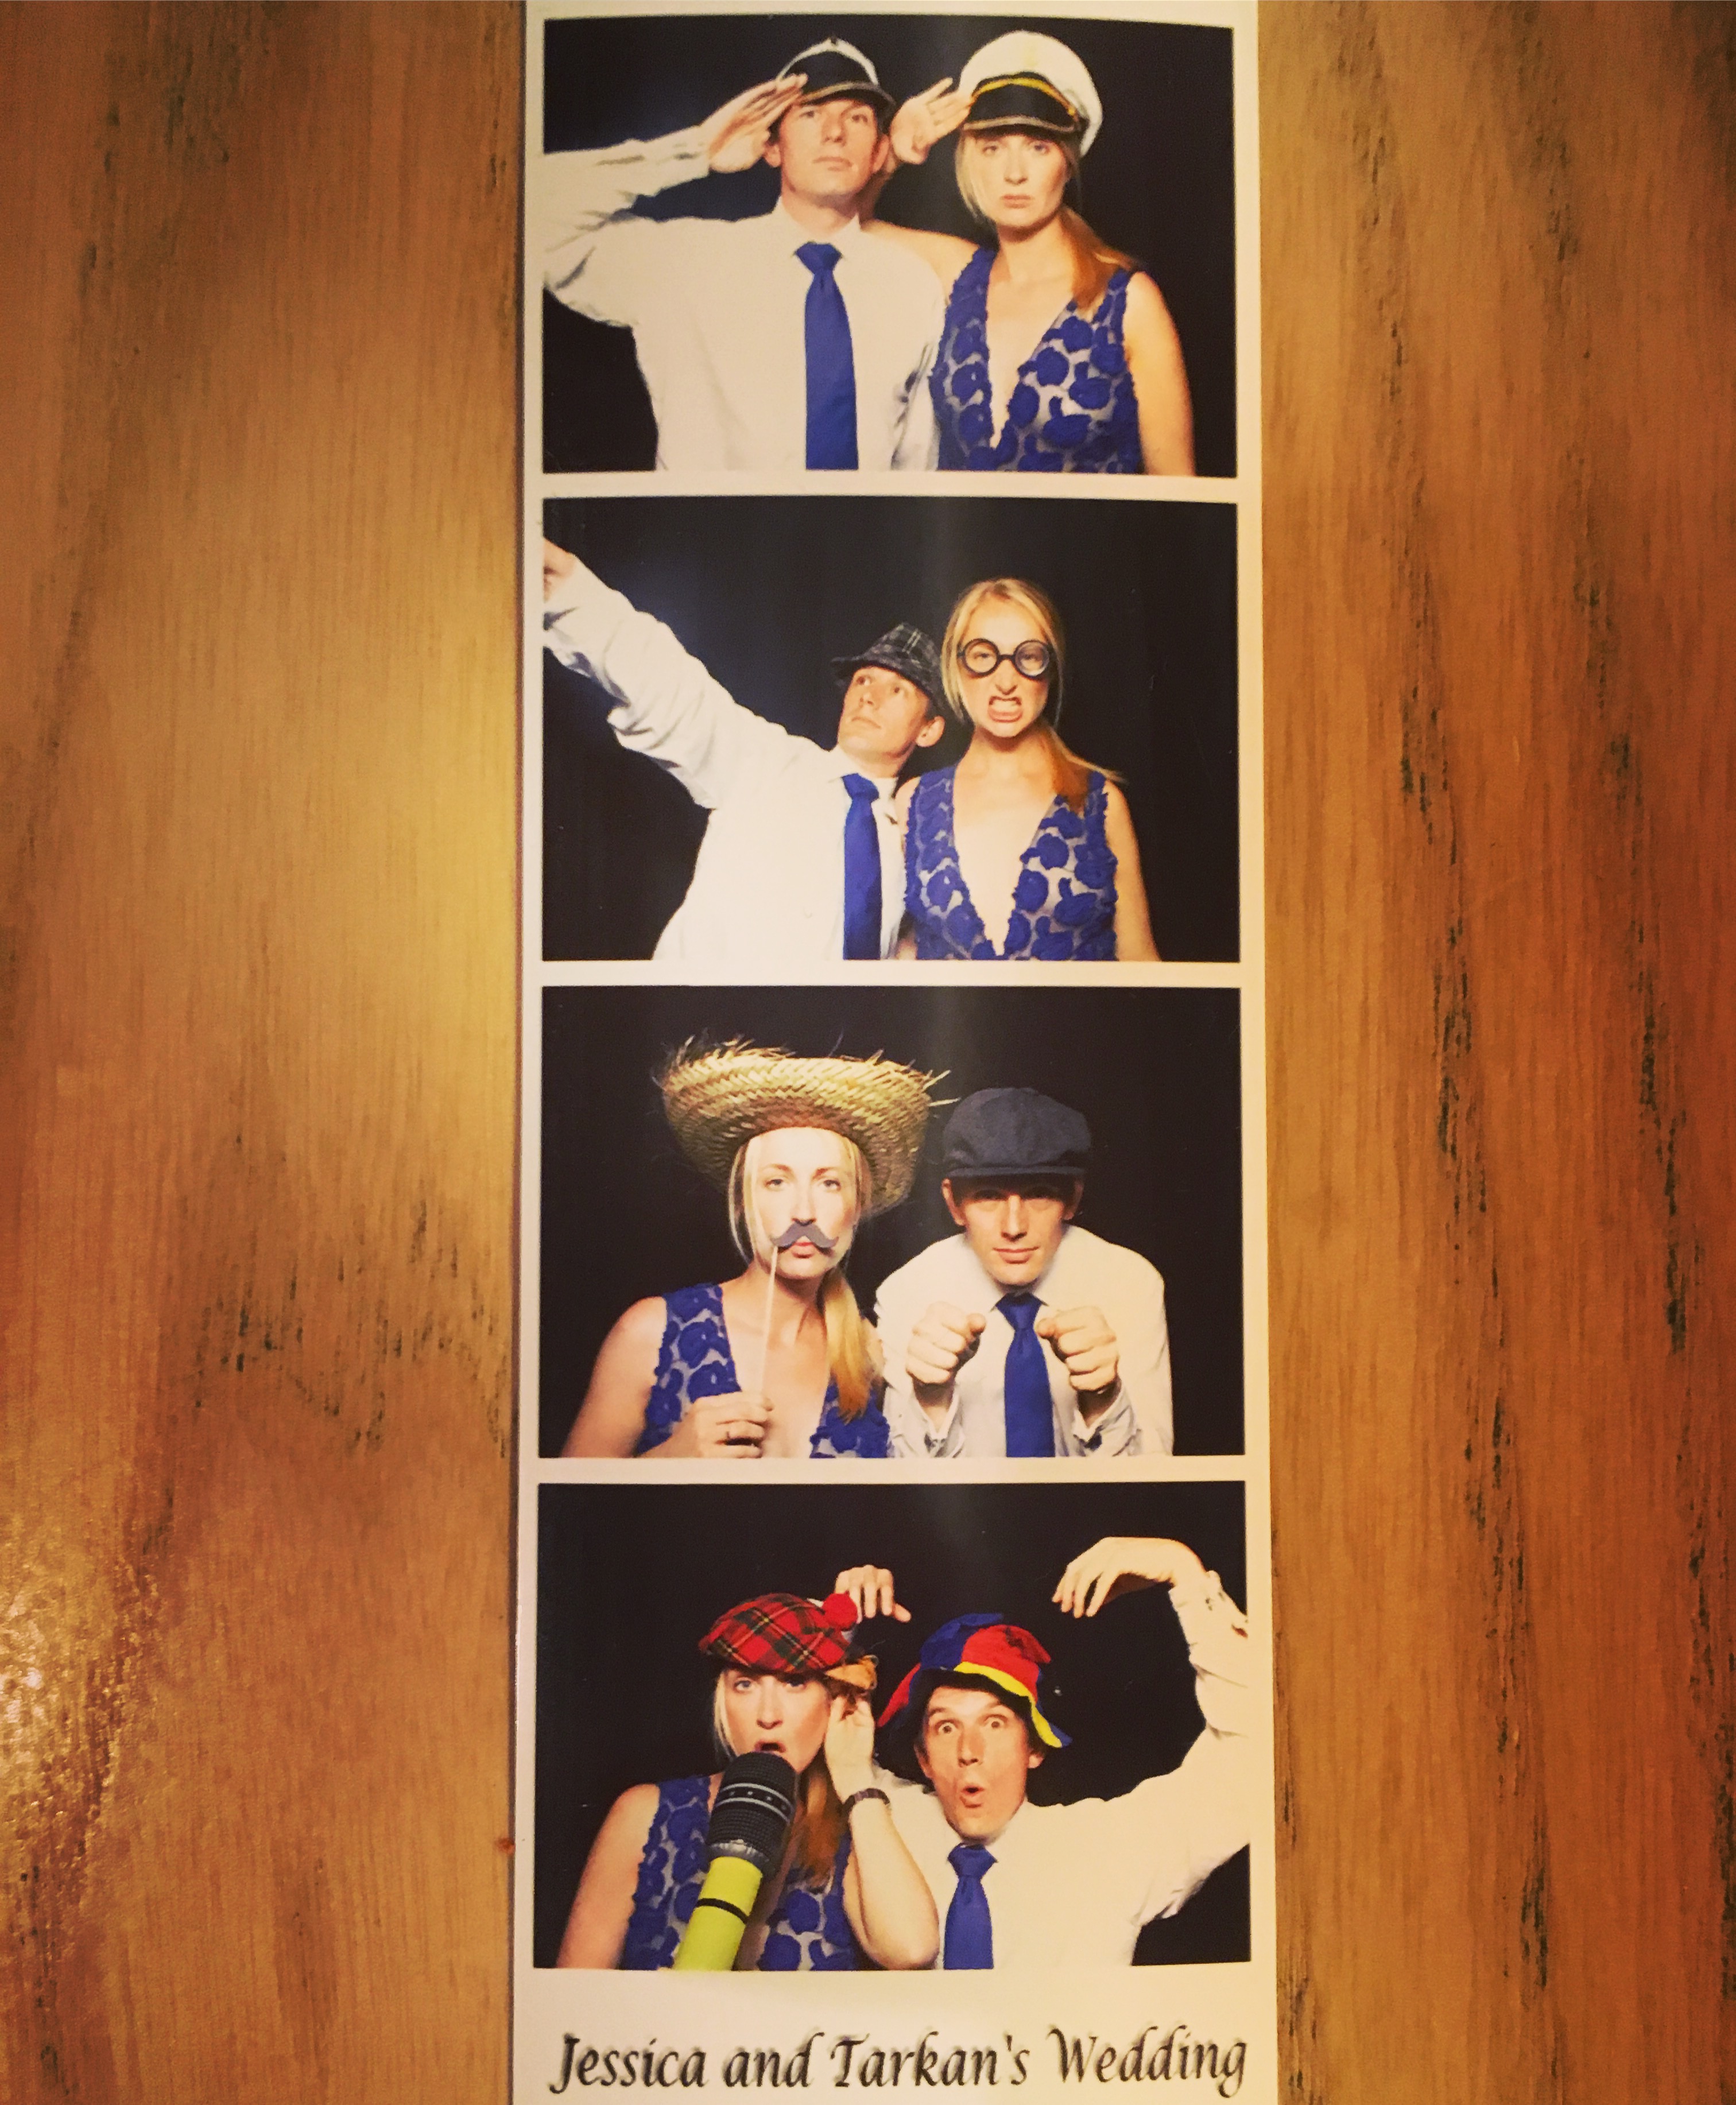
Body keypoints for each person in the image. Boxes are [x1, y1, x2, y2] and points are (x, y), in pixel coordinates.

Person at [826, 1535, 1250, 1968]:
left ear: (1034, 1747)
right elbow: (812, 1733)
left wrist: (1184, 1572)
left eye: (995, 1723)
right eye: (946, 1726)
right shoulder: (877, 1816)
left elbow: (1249, 1765)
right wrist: (836, 1629)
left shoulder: (1105, 1850)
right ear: (923, 1758)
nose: (969, 1750)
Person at [542, 38, 944, 471]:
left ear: (879, 152)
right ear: (772, 147)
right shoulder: (685, 262)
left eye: (857, 117)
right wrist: (696, 150)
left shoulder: (912, 285)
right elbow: (526, 214)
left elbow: (916, 467)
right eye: (811, 114)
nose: (834, 132)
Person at [543, 540, 945, 966]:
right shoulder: (767, 763)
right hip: (701, 1009)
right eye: (863, 680)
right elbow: (673, 691)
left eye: (897, 690)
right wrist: (571, 592)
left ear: (929, 729)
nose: (870, 697)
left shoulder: (916, 844)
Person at [565, 1041, 937, 1460]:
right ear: (743, 1201)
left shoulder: (874, 1353)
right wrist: (669, 1460)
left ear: (859, 1205)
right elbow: (565, 1497)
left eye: (829, 1183)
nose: (804, 1212)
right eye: (777, 1182)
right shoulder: (651, 1331)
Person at [865, 31, 1194, 475]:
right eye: (993, 148)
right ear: (969, 159)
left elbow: (1179, 496)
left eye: (1038, 148)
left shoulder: (1130, 302)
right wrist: (890, 155)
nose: (1014, 173)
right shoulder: (957, 275)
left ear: (1068, 162)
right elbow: (848, 229)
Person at [557, 1588, 937, 1970]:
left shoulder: (857, 1833)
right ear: (722, 1699)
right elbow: (571, 1994)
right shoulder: (644, 1814)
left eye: (794, 1683)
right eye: (745, 1684)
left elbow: (911, 1950)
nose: (767, 1715)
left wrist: (855, 1776)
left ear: (834, 1700)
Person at [874, 1089, 1173, 1458]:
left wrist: (1104, 1402)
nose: (1014, 1227)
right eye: (989, 1196)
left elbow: (1154, 1474)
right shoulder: (907, 1291)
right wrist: (931, 1401)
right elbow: (899, 1482)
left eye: (1039, 1194)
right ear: (954, 1204)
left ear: (1073, 1199)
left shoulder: (1130, 1283)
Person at [897, 576, 1158, 960]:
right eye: (983, 655)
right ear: (956, 665)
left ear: (1051, 669)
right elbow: (904, 959)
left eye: (1029, 656)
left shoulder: (1100, 803)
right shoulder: (914, 803)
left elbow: (1143, 968)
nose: (1006, 682)